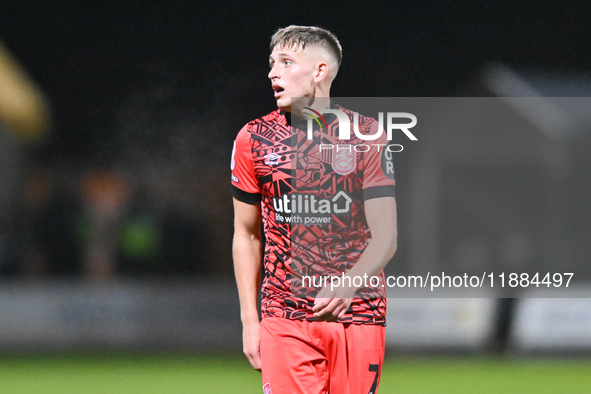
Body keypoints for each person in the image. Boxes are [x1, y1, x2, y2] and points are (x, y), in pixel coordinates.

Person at [231, 25, 397, 394]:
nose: (273, 72)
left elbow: (386, 237)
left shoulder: (367, 135)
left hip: (359, 314)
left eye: (286, 62)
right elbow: (246, 233)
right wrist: (249, 319)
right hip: (283, 314)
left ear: (320, 71)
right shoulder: (253, 139)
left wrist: (350, 283)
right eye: (271, 63)